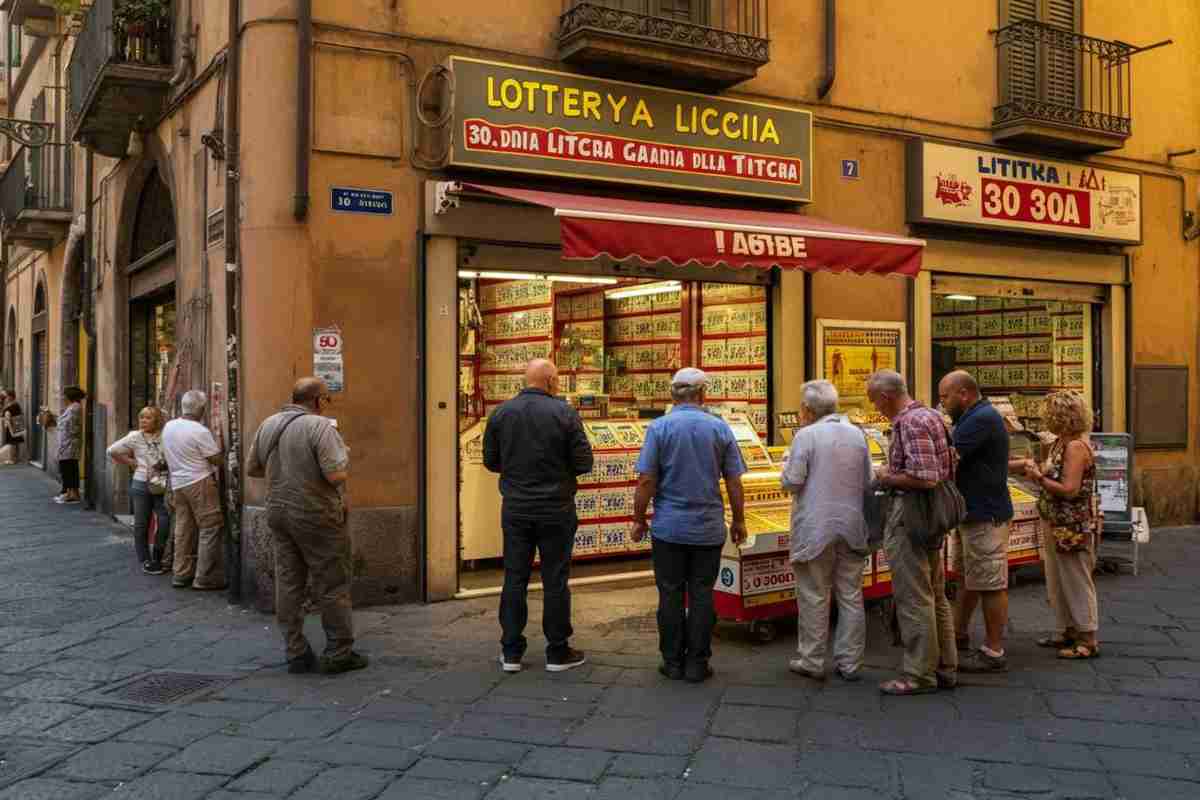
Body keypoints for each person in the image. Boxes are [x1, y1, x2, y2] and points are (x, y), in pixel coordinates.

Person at [632, 367, 748, 683]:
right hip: (707, 528)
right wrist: (739, 520)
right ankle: (697, 663)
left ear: (674, 394)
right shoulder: (719, 428)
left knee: (669, 593)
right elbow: (734, 481)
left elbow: (646, 480)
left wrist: (639, 519)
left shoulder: (659, 428)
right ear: (702, 394)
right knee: (701, 593)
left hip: (668, 527)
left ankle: (671, 661)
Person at [247, 377, 366, 675]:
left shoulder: (269, 424)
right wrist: (344, 455)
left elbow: (252, 468)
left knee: (288, 582)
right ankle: (339, 652)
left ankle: (295, 652)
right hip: (314, 512)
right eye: (327, 398)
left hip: (277, 510)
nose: (328, 404)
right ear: (318, 400)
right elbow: (336, 475)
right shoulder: (320, 427)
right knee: (332, 582)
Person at [483, 358, 593, 674]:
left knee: (514, 578)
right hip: (556, 508)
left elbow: (491, 461)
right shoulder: (565, 414)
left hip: (516, 508)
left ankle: (511, 652)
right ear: (550, 381)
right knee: (555, 579)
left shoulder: (502, 413)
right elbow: (584, 462)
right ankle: (557, 652)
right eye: (557, 379)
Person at [868, 370, 957, 696]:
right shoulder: (931, 415)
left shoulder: (910, 423)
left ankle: (919, 673)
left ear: (886, 396)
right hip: (930, 516)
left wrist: (886, 476)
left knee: (913, 596)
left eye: (874, 400)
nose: (875, 407)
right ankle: (945, 665)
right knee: (934, 593)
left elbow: (926, 476)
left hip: (913, 516)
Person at [780, 380, 872, 682]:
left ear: (807, 409)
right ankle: (850, 662)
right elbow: (869, 479)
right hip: (852, 524)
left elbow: (793, 481)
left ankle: (812, 659)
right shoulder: (857, 434)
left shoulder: (806, 436)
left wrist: (785, 467)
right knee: (850, 595)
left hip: (815, 526)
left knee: (813, 594)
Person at [939, 370, 1014, 673]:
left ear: (964, 394)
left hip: (986, 513)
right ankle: (958, 634)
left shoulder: (979, 418)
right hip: (973, 512)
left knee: (990, 583)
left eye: (945, 397)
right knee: (969, 578)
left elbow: (948, 455)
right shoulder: (972, 416)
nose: (942, 403)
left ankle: (994, 650)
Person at [1022, 390, 1102, 660]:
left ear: (1059, 416)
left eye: (1047, 413)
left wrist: (1038, 478)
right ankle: (1066, 629)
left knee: (1076, 578)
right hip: (1055, 519)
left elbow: (1069, 489)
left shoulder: (1076, 447)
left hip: (1071, 522)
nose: (1043, 417)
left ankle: (1087, 637)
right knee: (1056, 577)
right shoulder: (1059, 443)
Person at [162, 390, 225, 590]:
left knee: (183, 529)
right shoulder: (200, 431)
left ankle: (180, 573)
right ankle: (204, 577)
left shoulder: (169, 427)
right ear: (201, 409)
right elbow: (215, 458)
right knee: (210, 526)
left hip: (178, 482)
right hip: (199, 480)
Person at [108, 407, 172, 575]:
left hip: (161, 484)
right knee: (141, 524)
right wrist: (130, 462)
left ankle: (158, 556)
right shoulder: (134, 436)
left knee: (165, 521)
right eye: (141, 417)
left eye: (148, 418)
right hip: (141, 484)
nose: (143, 421)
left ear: (157, 420)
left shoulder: (166, 435)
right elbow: (112, 451)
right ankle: (145, 560)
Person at [43, 387, 86, 504]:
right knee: (71, 467)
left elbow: (71, 427)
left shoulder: (74, 408)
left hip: (68, 443)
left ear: (69, 396)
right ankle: (73, 493)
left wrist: (57, 422)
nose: (63, 397)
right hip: (68, 442)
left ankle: (69, 494)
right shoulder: (73, 407)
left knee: (67, 468)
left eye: (65, 395)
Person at [0, 388, 25, 464]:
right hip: (14, 424)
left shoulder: (14, 404)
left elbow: (9, 413)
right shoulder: (12, 404)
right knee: (14, 442)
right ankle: (14, 458)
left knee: (13, 442)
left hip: (13, 425)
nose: (6, 398)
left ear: (11, 396)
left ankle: (13, 459)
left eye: (7, 396)